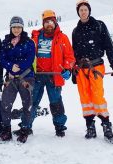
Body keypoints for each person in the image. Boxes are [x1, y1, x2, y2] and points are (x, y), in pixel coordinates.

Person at [15, 9, 75, 138]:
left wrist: (67, 69)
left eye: (51, 21)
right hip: (36, 76)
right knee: (31, 101)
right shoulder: (35, 37)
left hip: (54, 76)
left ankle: (59, 127)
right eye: (46, 22)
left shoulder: (62, 38)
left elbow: (70, 57)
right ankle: (26, 126)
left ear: (55, 22)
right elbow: (27, 55)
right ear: (43, 23)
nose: (49, 24)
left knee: (56, 102)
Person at [72, 0, 113, 143]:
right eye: (81, 10)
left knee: (98, 96)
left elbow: (109, 45)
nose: (83, 12)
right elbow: (74, 52)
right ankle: (90, 126)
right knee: (85, 98)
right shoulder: (75, 31)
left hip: (96, 66)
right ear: (78, 12)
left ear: (89, 11)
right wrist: (73, 70)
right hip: (81, 69)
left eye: (85, 9)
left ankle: (106, 125)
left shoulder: (99, 25)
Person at [0, 16, 36, 143]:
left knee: (27, 105)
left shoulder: (29, 42)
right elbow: (2, 58)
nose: (16, 29)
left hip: (26, 77)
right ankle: (6, 131)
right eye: (14, 27)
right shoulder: (5, 42)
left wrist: (18, 67)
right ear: (10, 27)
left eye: (19, 27)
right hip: (10, 78)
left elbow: (30, 58)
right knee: (5, 104)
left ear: (22, 28)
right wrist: (10, 66)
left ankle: (24, 130)